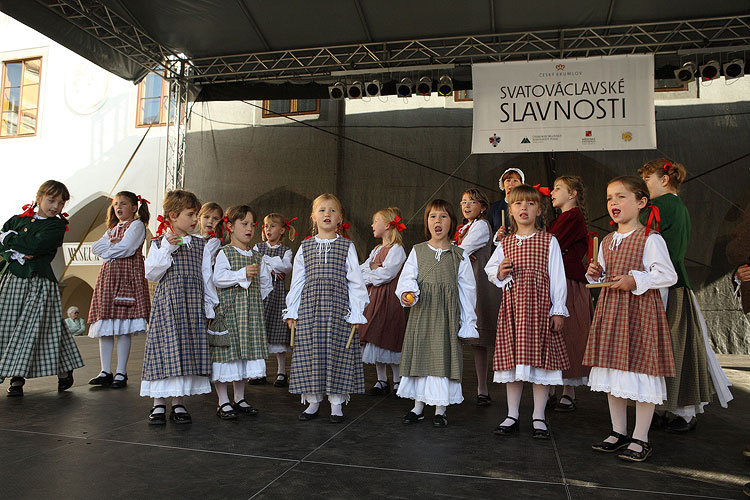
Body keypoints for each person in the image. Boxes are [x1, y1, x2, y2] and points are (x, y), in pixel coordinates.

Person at [584, 176, 677, 462]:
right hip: (612, 314)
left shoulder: (650, 238)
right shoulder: (608, 240)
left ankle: (641, 437)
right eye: (610, 197)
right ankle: (618, 431)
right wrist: (595, 275)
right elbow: (603, 276)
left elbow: (667, 275)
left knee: (641, 374)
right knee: (614, 375)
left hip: (639, 316)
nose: (614, 202)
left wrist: (634, 279)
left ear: (641, 202)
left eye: (621, 197)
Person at [639, 158, 733, 432]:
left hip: (665, 286)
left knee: (670, 347)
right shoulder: (676, 206)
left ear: (664, 179)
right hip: (673, 284)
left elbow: (645, 241)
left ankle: (681, 410)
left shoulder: (662, 206)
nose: (645, 186)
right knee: (674, 347)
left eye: (648, 180)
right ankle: (666, 407)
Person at [485, 184, 568, 439]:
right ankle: (512, 414)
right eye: (519, 204)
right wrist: (500, 273)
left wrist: (558, 310)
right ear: (510, 210)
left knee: (540, 365)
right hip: (513, 311)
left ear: (539, 210)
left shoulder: (548, 241)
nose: (524, 208)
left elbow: (558, 278)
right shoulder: (506, 243)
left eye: (530, 204)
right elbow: (491, 270)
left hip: (540, 309)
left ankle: (539, 416)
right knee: (514, 363)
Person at [283, 194, 369, 423]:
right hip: (310, 309)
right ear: (313, 216)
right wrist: (293, 310)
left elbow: (356, 282)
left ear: (340, 218)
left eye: (332, 211)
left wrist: (356, 311)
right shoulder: (305, 247)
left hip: (338, 309)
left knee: (337, 351)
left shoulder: (346, 246)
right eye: (322, 210)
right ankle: (312, 401)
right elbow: (298, 281)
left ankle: (336, 403)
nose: (327, 214)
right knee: (310, 352)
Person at [396, 199, 478, 427]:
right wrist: (407, 293)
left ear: (451, 222)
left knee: (442, 359)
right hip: (422, 315)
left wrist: (467, 321)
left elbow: (467, 291)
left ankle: (440, 409)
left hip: (445, 318)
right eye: (433, 216)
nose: (437, 221)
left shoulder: (458, 255)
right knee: (420, 357)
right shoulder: (418, 251)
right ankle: (418, 407)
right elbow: (407, 279)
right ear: (427, 222)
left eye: (443, 216)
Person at [0, 180, 83, 396]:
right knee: (9, 326)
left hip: (39, 281)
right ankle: (59, 367)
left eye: (60, 202)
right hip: (12, 280)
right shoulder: (18, 220)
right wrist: (12, 246)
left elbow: (35, 246)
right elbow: (2, 241)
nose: (55, 206)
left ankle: (17, 379)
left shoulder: (56, 226)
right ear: (39, 198)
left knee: (34, 328)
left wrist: (12, 240)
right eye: (51, 200)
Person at [141, 190, 213, 425]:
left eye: (196, 215)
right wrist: (167, 249)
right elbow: (151, 272)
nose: (195, 220)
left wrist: (209, 306)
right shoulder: (160, 242)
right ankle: (158, 404)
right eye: (190, 214)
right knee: (165, 349)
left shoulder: (200, 245)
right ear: (173, 215)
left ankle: (178, 403)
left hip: (191, 305)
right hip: (169, 304)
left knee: (184, 351)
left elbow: (206, 276)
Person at [211, 205, 272, 419]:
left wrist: (254, 301)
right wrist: (240, 274)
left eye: (252, 225)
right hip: (229, 313)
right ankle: (222, 401)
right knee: (226, 355)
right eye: (243, 224)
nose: (249, 229)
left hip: (249, 313)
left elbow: (266, 283)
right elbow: (218, 278)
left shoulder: (256, 255)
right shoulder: (225, 252)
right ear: (230, 227)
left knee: (243, 353)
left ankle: (239, 397)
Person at [87, 191, 151, 389]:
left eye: (123, 204)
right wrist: (111, 247)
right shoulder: (112, 228)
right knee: (105, 324)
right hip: (108, 278)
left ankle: (121, 372)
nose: (118, 208)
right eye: (115, 204)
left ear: (134, 207)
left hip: (127, 277)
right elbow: (95, 248)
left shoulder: (137, 225)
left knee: (123, 326)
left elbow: (128, 248)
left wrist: (110, 250)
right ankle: (105, 370)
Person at [547, 176, 594, 411]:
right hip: (558, 281)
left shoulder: (572, 217)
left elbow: (550, 243)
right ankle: (554, 385)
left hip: (568, 282)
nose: (552, 192)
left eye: (558, 189)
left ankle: (569, 389)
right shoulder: (562, 219)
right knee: (556, 335)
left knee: (569, 333)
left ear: (573, 193)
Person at [455, 188, 501, 406]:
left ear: (482, 207)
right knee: (473, 340)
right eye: (463, 202)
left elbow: (462, 250)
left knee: (479, 335)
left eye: (471, 202)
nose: (466, 206)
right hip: (465, 279)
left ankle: (483, 386)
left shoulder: (481, 226)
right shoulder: (465, 227)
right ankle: (474, 385)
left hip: (477, 281)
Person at [358, 207, 407, 396]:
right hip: (374, 298)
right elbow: (361, 269)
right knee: (374, 334)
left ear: (387, 225)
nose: (372, 225)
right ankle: (381, 379)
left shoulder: (397, 249)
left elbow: (386, 274)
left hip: (389, 299)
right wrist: (372, 267)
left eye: (375, 221)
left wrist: (372, 272)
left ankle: (397, 379)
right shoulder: (377, 249)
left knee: (390, 334)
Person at [254, 213, 295, 388]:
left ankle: (281, 372)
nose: (268, 229)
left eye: (272, 226)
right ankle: (260, 372)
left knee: (278, 331)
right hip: (261, 294)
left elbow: (286, 266)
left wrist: (267, 263)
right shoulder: (257, 247)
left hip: (278, 295)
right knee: (261, 331)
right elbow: (256, 264)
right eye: (266, 226)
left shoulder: (286, 250)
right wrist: (269, 265)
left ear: (282, 230)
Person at [488, 168, 525, 241]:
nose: (511, 184)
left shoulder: (526, 207)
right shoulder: (493, 208)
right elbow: (486, 234)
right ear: (503, 184)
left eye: (515, 181)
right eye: (508, 180)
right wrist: (497, 236)